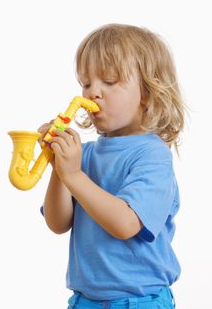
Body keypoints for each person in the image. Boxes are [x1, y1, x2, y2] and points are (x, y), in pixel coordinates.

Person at [38, 24, 185, 309]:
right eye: (86, 82)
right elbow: (57, 223)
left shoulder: (152, 155)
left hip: (139, 301)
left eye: (109, 80)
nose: (93, 93)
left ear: (146, 91)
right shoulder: (85, 155)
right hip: (85, 300)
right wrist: (59, 167)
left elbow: (125, 223)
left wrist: (73, 174)